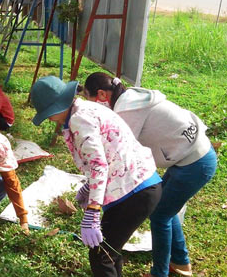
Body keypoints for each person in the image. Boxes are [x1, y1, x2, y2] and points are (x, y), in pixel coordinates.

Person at [83, 72, 218, 277]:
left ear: (102, 94)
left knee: (160, 214)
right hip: (192, 156)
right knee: (166, 209)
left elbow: (120, 154)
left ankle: (159, 273)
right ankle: (181, 263)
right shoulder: (131, 97)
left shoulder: (128, 111)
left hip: (196, 163)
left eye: (92, 101)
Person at [30, 76, 162, 277]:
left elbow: (99, 164)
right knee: (109, 250)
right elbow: (108, 154)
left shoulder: (79, 119)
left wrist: (92, 211)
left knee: (101, 255)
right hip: (137, 185)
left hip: (135, 192)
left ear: (56, 108)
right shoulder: (87, 109)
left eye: (48, 114)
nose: (49, 119)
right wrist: (90, 187)